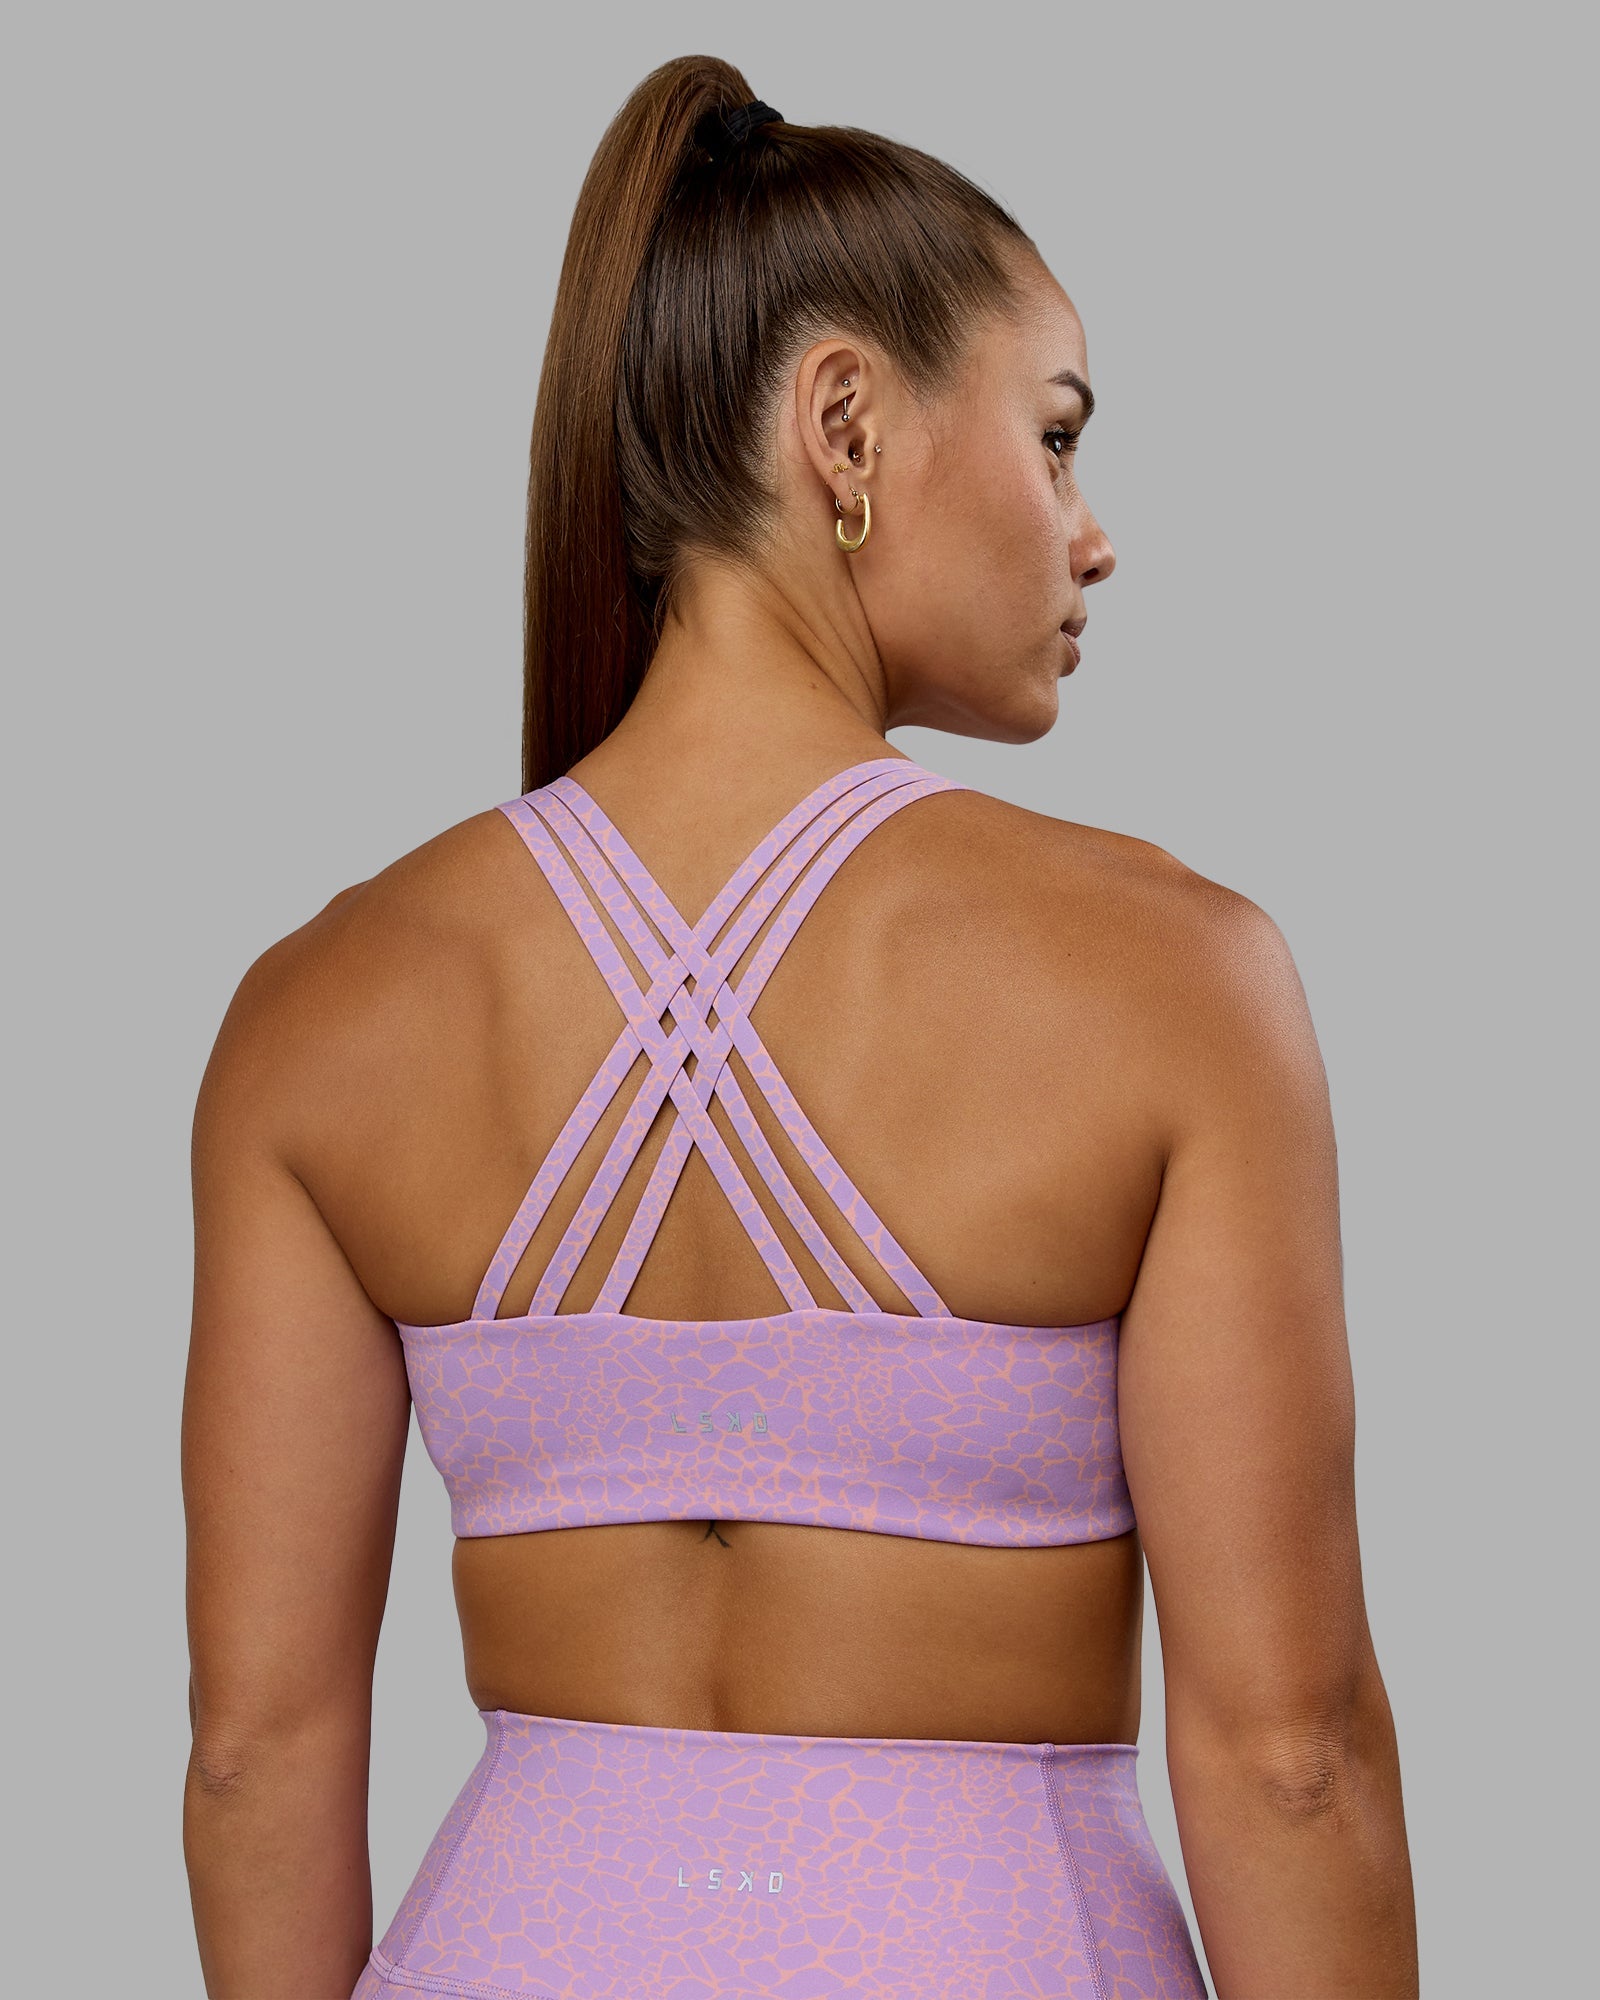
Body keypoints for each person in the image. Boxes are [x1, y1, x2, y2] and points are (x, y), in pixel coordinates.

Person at [181, 54, 1418, 2000]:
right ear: (844, 425)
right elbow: (1292, 1760)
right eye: (1056, 436)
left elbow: (255, 1756)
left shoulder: (318, 1010)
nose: (1090, 534)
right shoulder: (1175, 981)